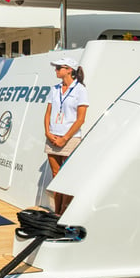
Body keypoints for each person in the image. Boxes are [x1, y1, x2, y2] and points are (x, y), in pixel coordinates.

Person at [44, 57, 88, 216]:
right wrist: (48, 132)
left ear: (69, 69)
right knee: (56, 176)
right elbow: (48, 113)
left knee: (66, 176)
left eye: (58, 68)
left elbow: (81, 118)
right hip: (53, 136)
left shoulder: (80, 90)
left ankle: (64, 211)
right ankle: (57, 211)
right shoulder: (54, 89)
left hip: (70, 138)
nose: (56, 70)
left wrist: (65, 138)